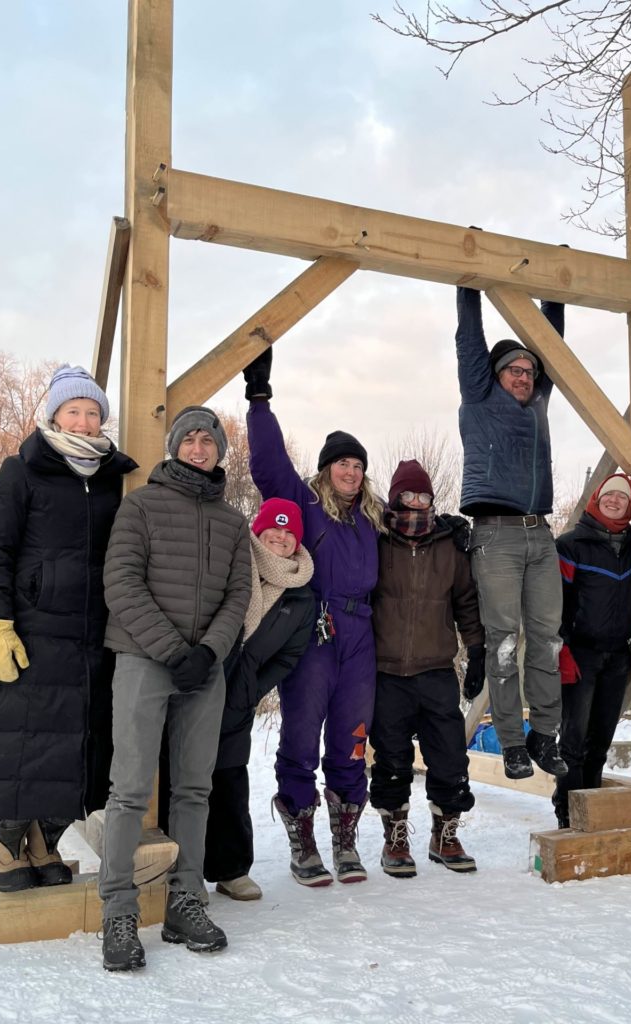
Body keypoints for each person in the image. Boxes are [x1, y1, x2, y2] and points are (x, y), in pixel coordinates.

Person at [0, 365, 137, 893]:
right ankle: (7, 846)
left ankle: (46, 843)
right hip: (32, 631)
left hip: (92, 637)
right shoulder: (21, 471)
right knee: (21, 743)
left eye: (92, 413)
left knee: (75, 747)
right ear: (54, 415)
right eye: (73, 411)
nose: (84, 422)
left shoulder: (113, 478)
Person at [98, 406, 251, 972]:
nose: (198, 446)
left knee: (193, 789)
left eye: (208, 440)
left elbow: (239, 596)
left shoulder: (234, 524)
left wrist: (208, 651)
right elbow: (121, 582)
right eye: (189, 438)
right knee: (130, 790)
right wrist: (172, 651)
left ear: (218, 452)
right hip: (144, 658)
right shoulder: (139, 505)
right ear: (174, 447)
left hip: (205, 667)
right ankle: (119, 909)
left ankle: (186, 899)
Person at [242, 347, 382, 886]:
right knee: (301, 735)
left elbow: (418, 523)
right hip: (317, 632)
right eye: (342, 463)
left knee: (352, 737)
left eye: (358, 464)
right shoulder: (307, 506)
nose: (351, 471)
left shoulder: (374, 520)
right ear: (327, 470)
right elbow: (269, 465)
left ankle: (344, 840)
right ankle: (303, 837)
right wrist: (259, 400)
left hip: (362, 637)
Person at [454, 285, 567, 781]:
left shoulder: (537, 403)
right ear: (496, 377)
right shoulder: (479, 398)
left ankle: (545, 734)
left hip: (539, 534)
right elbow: (469, 342)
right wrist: (469, 284)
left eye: (528, 372)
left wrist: (555, 296)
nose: (523, 377)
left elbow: (551, 346)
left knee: (546, 640)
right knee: (504, 641)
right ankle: (512, 742)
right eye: (514, 371)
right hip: (495, 535)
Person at [369, 459, 485, 876]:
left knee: (451, 756)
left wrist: (477, 651)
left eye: (424, 496)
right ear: (395, 498)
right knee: (392, 759)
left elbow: (467, 603)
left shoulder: (450, 545)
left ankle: (445, 834)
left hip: (436, 668)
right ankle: (395, 838)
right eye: (409, 496)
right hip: (386, 672)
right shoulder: (377, 539)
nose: (417, 503)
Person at [202, 497, 315, 901]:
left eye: (289, 533)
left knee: (229, 778)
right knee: (181, 778)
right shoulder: (234, 563)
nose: (281, 538)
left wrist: (252, 685)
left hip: (239, 697)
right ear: (258, 531)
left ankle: (231, 869)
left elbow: (290, 655)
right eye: (274, 530)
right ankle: (173, 871)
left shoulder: (301, 596)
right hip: (199, 680)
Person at [553, 474, 631, 827]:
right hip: (581, 653)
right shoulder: (571, 545)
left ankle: (590, 808)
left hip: (618, 655)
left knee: (601, 736)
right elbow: (554, 601)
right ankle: (568, 813)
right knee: (573, 738)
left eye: (622, 497)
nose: (614, 500)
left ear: (630, 506)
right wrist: (560, 648)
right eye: (608, 495)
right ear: (596, 500)